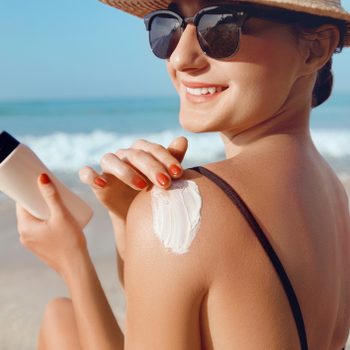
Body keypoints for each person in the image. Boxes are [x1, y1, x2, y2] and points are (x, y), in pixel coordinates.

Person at [15, 0, 350, 349]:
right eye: (168, 27)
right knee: (60, 317)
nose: (179, 58)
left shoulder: (199, 210)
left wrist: (72, 260)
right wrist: (126, 218)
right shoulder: (332, 191)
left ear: (316, 47)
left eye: (219, 26)